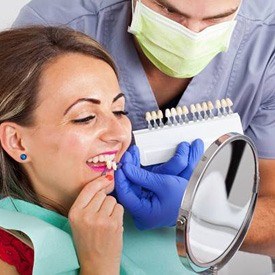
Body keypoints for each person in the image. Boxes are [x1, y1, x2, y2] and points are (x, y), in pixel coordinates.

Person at [12, 0, 275, 257]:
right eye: (168, 9)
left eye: (120, 110)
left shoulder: (266, 37)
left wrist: (198, 217)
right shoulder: (56, 25)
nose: (193, 35)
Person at [0, 26, 203, 274]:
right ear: (17, 141)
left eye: (119, 111)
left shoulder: (135, 211)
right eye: (85, 117)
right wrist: (98, 264)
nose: (119, 134)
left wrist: (192, 224)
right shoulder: (9, 255)